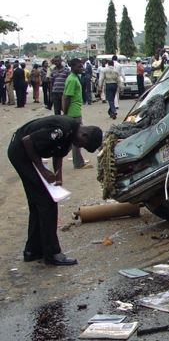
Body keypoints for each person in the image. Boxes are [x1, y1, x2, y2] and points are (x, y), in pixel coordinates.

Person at [7, 115, 102, 265]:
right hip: (20, 152)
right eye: (83, 145)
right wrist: (42, 170)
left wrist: (58, 177)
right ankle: (52, 254)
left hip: (26, 153)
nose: (80, 147)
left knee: (37, 203)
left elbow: (58, 154)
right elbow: (27, 141)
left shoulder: (71, 135)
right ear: (84, 134)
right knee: (47, 203)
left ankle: (33, 250)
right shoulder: (63, 129)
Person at [62, 58, 92, 169]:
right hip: (73, 113)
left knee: (73, 139)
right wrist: (65, 113)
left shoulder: (74, 78)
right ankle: (78, 162)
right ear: (73, 67)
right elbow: (67, 97)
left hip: (75, 111)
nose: (81, 68)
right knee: (78, 138)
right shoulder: (72, 80)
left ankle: (78, 161)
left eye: (82, 66)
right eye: (79, 67)